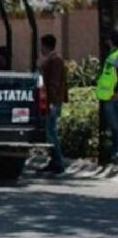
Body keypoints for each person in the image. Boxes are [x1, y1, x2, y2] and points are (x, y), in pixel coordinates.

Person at [38, 34, 68, 174]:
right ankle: (53, 161)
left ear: (45, 45)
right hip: (50, 101)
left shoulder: (55, 60)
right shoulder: (51, 60)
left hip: (52, 102)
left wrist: (51, 102)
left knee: (51, 133)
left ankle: (58, 162)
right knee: (49, 132)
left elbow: (54, 83)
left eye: (42, 46)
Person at [96, 30, 118, 164]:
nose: (105, 41)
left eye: (107, 39)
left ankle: (116, 152)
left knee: (116, 127)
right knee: (114, 127)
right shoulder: (112, 54)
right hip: (109, 97)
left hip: (113, 97)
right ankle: (115, 153)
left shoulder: (115, 55)